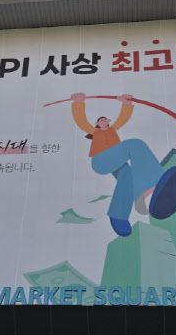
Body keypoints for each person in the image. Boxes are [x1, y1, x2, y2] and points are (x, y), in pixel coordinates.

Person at [70, 92, 166, 236]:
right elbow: (82, 122)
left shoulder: (113, 130)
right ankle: (154, 183)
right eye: (100, 120)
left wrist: (126, 104)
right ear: (97, 124)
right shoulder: (95, 132)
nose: (103, 121)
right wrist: (78, 103)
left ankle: (119, 214)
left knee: (127, 177)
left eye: (105, 120)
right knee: (135, 144)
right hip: (101, 160)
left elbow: (122, 119)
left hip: (117, 161)